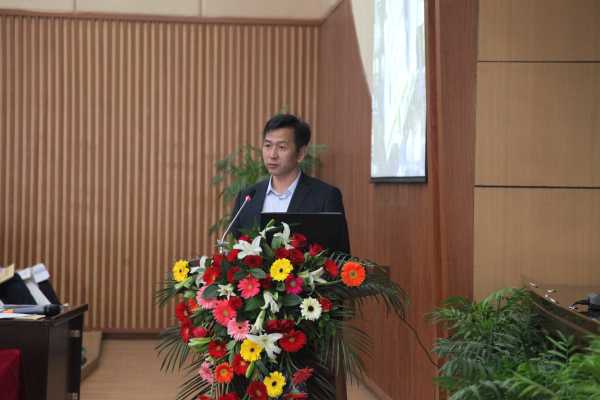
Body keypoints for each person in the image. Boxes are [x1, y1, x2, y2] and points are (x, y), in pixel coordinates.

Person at [229, 114, 350, 253]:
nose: (272, 155)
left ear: (301, 153)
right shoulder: (248, 197)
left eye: (281, 147)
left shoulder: (325, 197)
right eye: (268, 145)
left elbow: (341, 256)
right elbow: (233, 249)